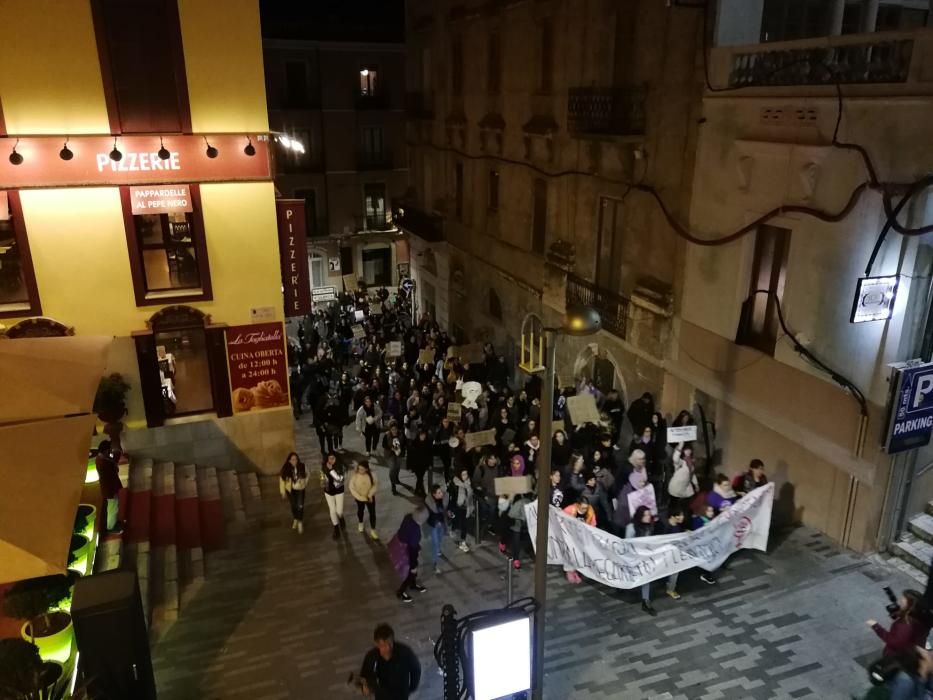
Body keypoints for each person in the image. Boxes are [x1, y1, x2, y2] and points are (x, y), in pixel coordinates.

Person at [358, 623, 421, 699]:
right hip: (381, 696)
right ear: (376, 644)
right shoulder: (371, 657)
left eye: (389, 643)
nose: (388, 648)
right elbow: (364, 675)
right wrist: (364, 687)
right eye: (383, 645)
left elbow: (416, 669)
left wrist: (411, 688)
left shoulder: (405, 652)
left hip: (401, 695)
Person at [867, 589, 933, 658]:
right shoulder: (923, 616)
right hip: (915, 652)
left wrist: (876, 626)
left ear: (910, 605)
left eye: (902, 600)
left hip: (898, 657)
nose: (899, 602)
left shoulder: (906, 624)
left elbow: (895, 642)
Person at [395, 508, 429, 603]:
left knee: (412, 571)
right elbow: (412, 551)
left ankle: (413, 584)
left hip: (401, 545)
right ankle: (401, 592)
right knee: (410, 572)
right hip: (407, 552)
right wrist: (413, 566)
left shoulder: (408, 517)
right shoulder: (416, 532)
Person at [561, 497, 596, 584]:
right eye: (582, 508)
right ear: (577, 505)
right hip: (570, 535)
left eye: (586, 508)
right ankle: (569, 571)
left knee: (579, 554)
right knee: (570, 554)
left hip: (582, 536)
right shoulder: (569, 509)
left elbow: (593, 523)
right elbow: (561, 519)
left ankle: (576, 570)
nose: (584, 510)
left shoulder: (590, 511)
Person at [95, 440, 123, 533]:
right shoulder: (103, 462)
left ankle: (113, 522)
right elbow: (113, 471)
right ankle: (111, 527)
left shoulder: (101, 459)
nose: (110, 451)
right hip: (109, 489)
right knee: (112, 508)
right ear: (105, 450)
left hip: (110, 487)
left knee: (114, 506)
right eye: (109, 449)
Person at [279, 452, 308, 534]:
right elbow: (282, 480)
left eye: (296, 459)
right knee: (294, 505)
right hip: (291, 490)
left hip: (300, 489)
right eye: (292, 459)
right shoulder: (285, 468)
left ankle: (300, 521)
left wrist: (305, 482)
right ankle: (295, 518)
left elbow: (308, 474)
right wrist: (283, 492)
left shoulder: (302, 466)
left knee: (300, 505)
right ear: (289, 461)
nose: (294, 461)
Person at [349, 461, 379, 540]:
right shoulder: (355, 476)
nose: (360, 471)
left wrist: (370, 494)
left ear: (366, 469)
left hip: (370, 497)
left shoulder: (372, 475)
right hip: (360, 498)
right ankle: (360, 522)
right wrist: (360, 497)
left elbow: (375, 485)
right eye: (359, 469)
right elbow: (351, 488)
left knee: (372, 513)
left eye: (362, 469)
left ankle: (373, 530)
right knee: (360, 510)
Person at [668, 442, 699, 517]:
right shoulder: (680, 461)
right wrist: (680, 446)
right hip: (676, 487)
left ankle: (684, 518)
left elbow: (692, 474)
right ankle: (672, 520)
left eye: (689, 450)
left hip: (685, 487)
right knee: (674, 505)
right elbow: (675, 458)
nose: (688, 451)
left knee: (685, 505)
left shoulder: (691, 461)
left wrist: (696, 484)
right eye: (686, 450)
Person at [424, 483, 449, 574]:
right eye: (438, 493)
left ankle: (438, 550)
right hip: (433, 524)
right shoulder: (429, 501)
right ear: (434, 495)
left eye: (441, 492)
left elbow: (445, 505)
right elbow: (434, 511)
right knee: (435, 543)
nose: (441, 494)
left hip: (441, 523)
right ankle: (435, 564)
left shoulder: (443, 498)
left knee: (440, 538)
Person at [448, 468, 475, 553]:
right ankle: (455, 534)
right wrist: (450, 509)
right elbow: (450, 498)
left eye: (466, 474)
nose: (465, 477)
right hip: (457, 507)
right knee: (457, 523)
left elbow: (471, 495)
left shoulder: (469, 483)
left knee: (464, 525)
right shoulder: (455, 484)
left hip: (466, 507)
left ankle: (462, 541)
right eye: (463, 474)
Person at [321, 452, 346, 540]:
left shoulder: (341, 467)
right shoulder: (324, 467)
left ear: (336, 459)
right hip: (328, 492)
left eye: (333, 458)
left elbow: (339, 480)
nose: (330, 460)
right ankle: (336, 528)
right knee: (332, 510)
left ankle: (341, 517)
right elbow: (322, 477)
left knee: (339, 511)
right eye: (329, 458)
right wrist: (323, 482)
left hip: (339, 491)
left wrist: (331, 470)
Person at [507, 491, 533, 569]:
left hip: (527, 524)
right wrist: (521, 518)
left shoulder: (531, 502)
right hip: (517, 524)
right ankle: (516, 558)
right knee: (516, 538)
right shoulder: (519, 502)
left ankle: (518, 557)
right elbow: (511, 514)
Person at [382, 423, 407, 496]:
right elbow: (384, 445)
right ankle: (393, 485)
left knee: (398, 467)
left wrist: (401, 449)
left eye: (395, 429)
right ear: (390, 430)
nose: (394, 431)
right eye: (392, 429)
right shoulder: (387, 435)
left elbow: (405, 443)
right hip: (390, 455)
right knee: (392, 469)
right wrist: (391, 448)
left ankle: (396, 478)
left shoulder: (401, 434)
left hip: (399, 454)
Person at [407, 427, 433, 497]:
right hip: (416, 465)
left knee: (420, 478)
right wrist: (409, 466)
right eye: (421, 435)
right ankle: (423, 493)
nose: (423, 436)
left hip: (424, 464)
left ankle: (417, 490)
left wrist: (430, 464)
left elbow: (430, 455)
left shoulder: (427, 443)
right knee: (420, 478)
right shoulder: (414, 443)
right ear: (419, 435)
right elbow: (409, 456)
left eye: (424, 435)